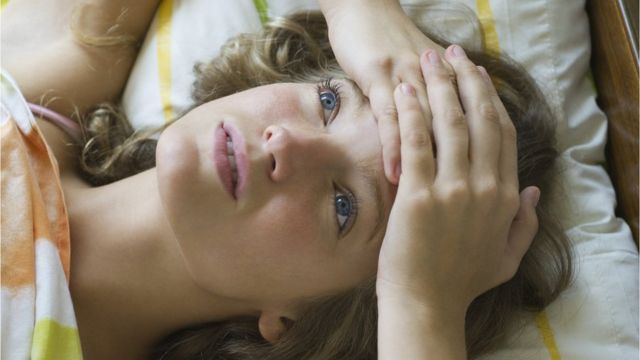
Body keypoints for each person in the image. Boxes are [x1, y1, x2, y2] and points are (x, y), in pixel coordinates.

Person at [1, 1, 572, 359]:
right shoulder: (57, 78)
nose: (288, 143)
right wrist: (362, 10)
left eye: (344, 206)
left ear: (293, 320)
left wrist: (422, 308)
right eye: (328, 101)